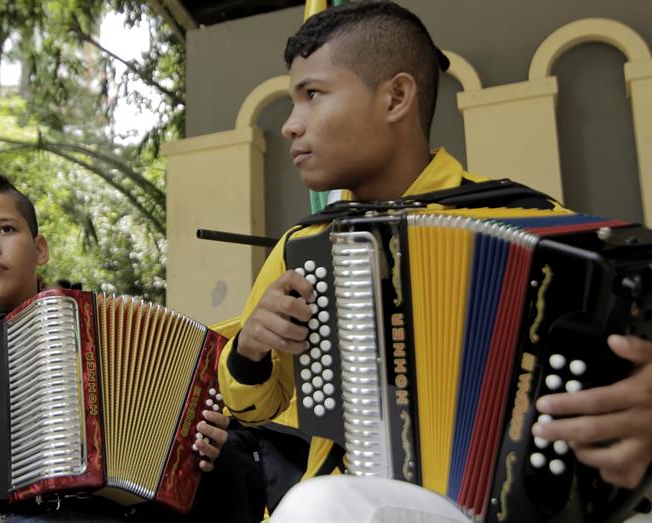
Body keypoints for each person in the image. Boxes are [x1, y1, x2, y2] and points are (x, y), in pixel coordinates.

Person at [217, 2, 652, 521]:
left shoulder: (538, 230)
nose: (290, 125)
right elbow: (250, 406)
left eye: (312, 95)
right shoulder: (303, 246)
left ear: (396, 97)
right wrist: (249, 350)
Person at [0, 169, 230, 523]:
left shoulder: (98, 336)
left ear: (40, 249)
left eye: (5, 228)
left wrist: (193, 447)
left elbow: (161, 441)